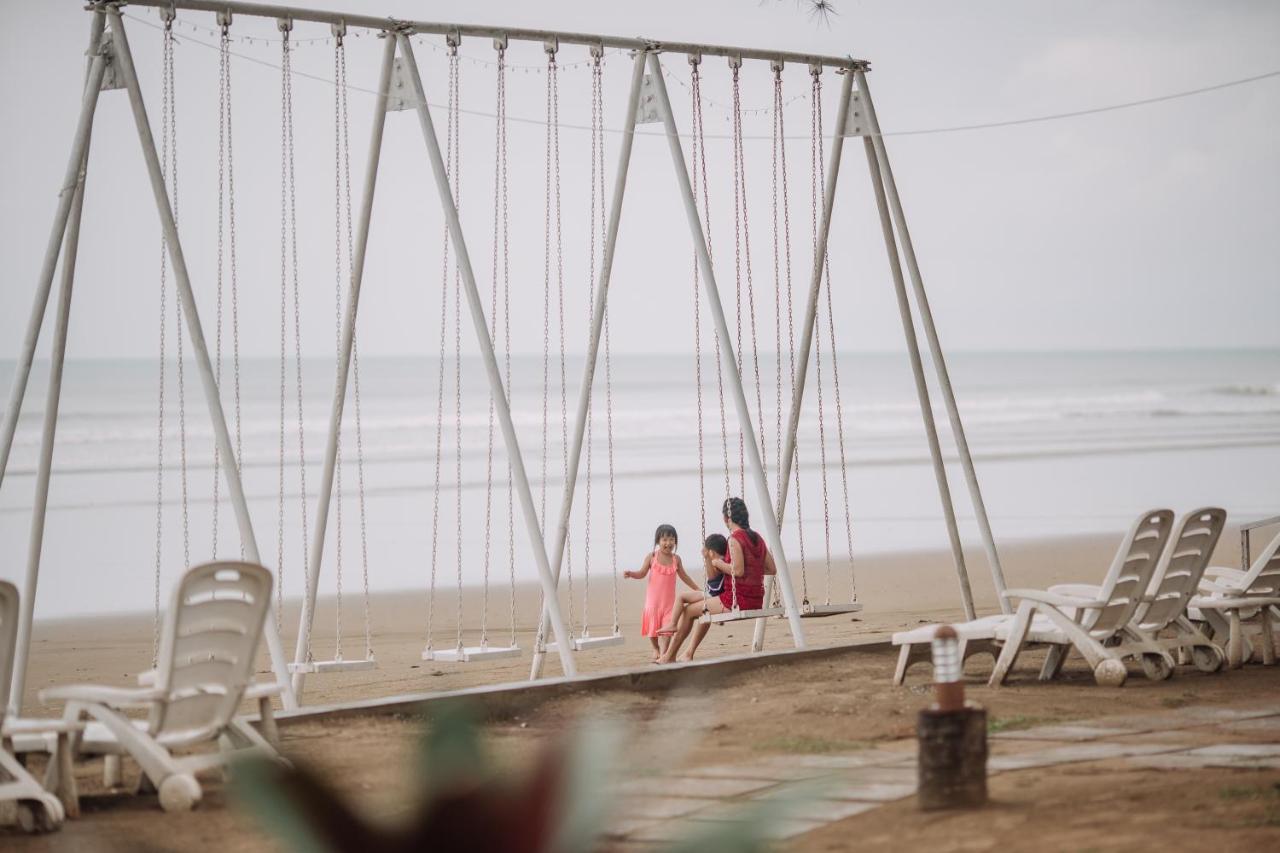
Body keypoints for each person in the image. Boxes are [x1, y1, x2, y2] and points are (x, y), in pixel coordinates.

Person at [657, 498, 775, 664]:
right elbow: (771, 569)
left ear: (726, 519)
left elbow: (738, 570)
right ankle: (687, 653)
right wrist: (749, 568)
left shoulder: (734, 539)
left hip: (735, 600)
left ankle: (669, 657)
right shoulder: (758, 538)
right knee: (700, 608)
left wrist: (720, 564)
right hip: (756, 599)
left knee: (689, 611)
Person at [623, 524, 700, 662]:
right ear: (658, 542)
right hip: (653, 603)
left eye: (671, 539)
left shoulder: (676, 559)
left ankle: (665, 653)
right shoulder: (652, 557)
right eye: (664, 539)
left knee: (667, 631)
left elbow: (684, 576)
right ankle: (655, 648)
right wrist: (631, 574)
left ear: (675, 541)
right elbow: (641, 573)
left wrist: (697, 589)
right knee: (652, 632)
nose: (668, 543)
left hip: (669, 604)